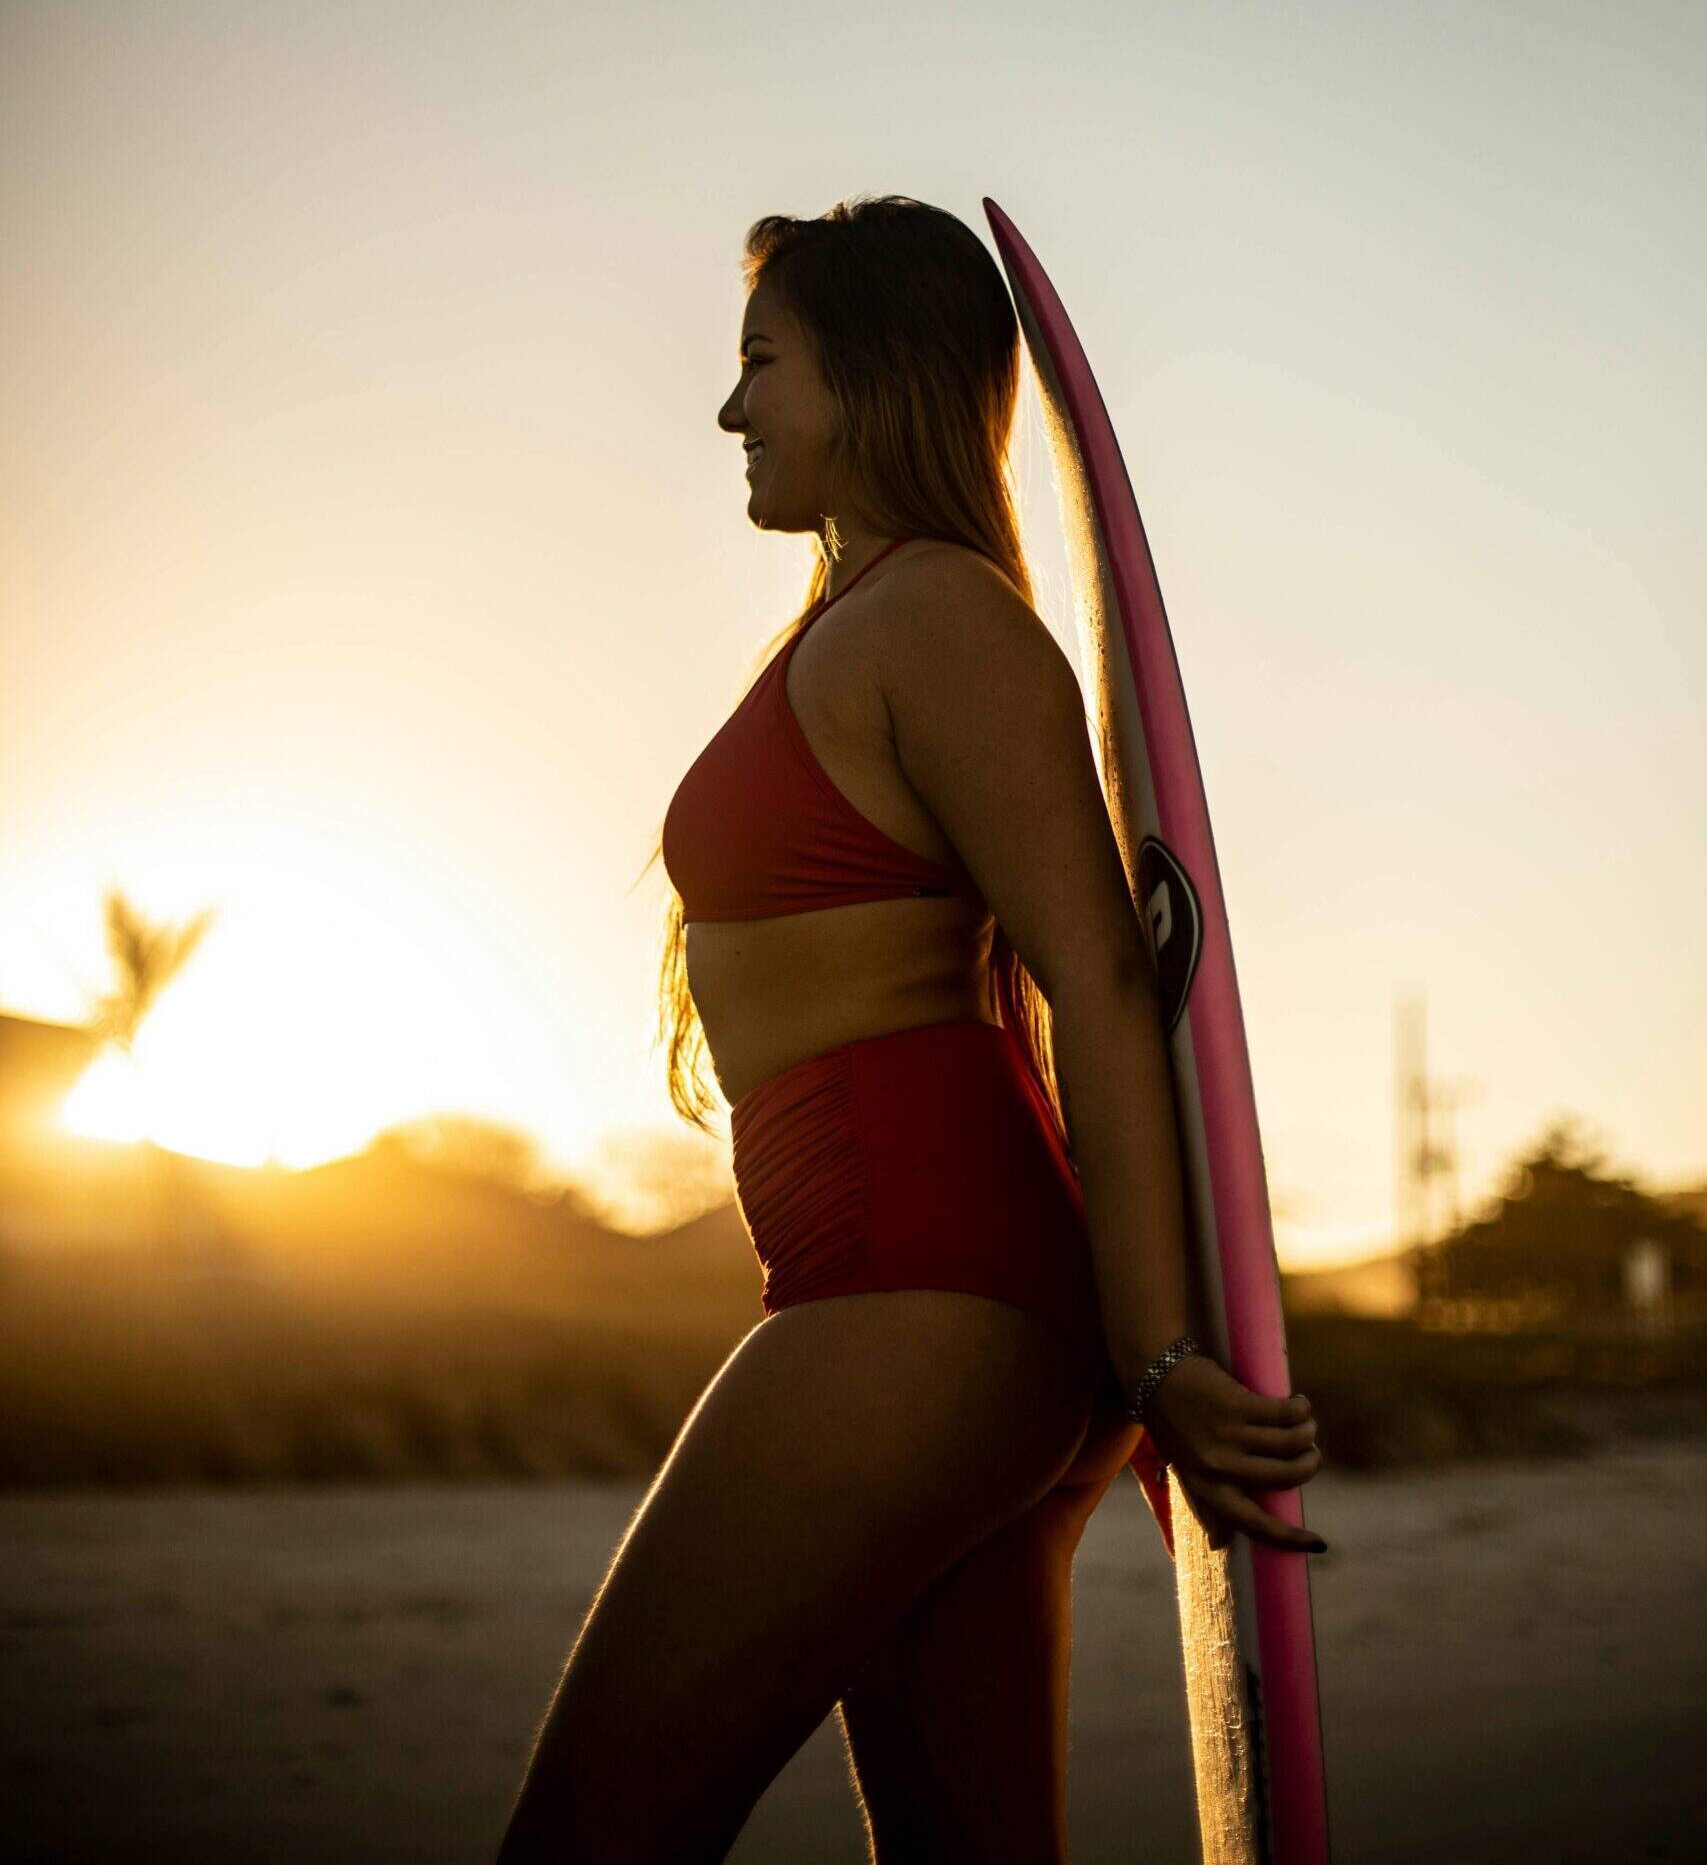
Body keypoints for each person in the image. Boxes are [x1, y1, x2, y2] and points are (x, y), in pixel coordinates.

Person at [495, 196, 1326, 1864]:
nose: (732, 410)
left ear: (870, 374)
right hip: (938, 1310)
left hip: (920, 1302)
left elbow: (1094, 977)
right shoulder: (866, 621)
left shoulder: (938, 620)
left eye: (761, 361)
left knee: (591, 1837)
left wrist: (1161, 1350)